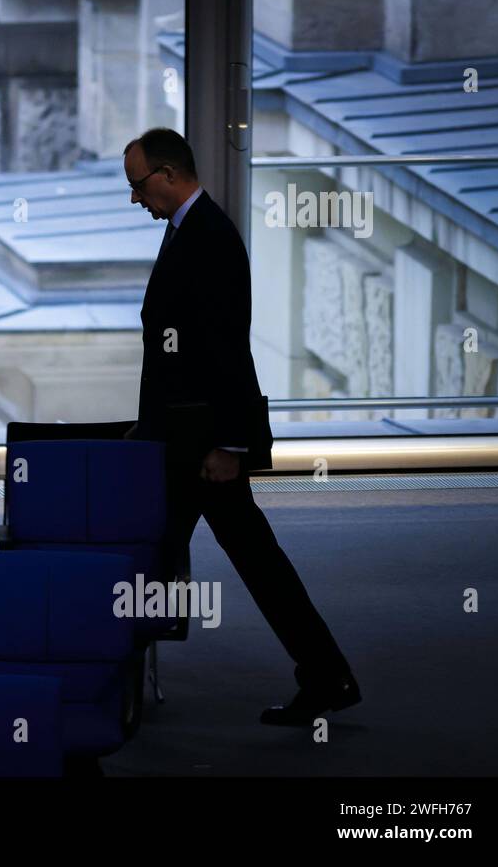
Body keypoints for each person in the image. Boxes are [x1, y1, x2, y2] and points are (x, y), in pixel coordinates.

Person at [121, 127, 360, 726]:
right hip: (184, 441)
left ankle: (107, 682)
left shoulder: (210, 239)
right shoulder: (190, 232)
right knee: (228, 558)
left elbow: (225, 349)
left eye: (138, 185)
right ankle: (327, 675)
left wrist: (229, 444)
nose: (134, 199)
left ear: (171, 174)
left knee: (156, 556)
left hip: (202, 447)